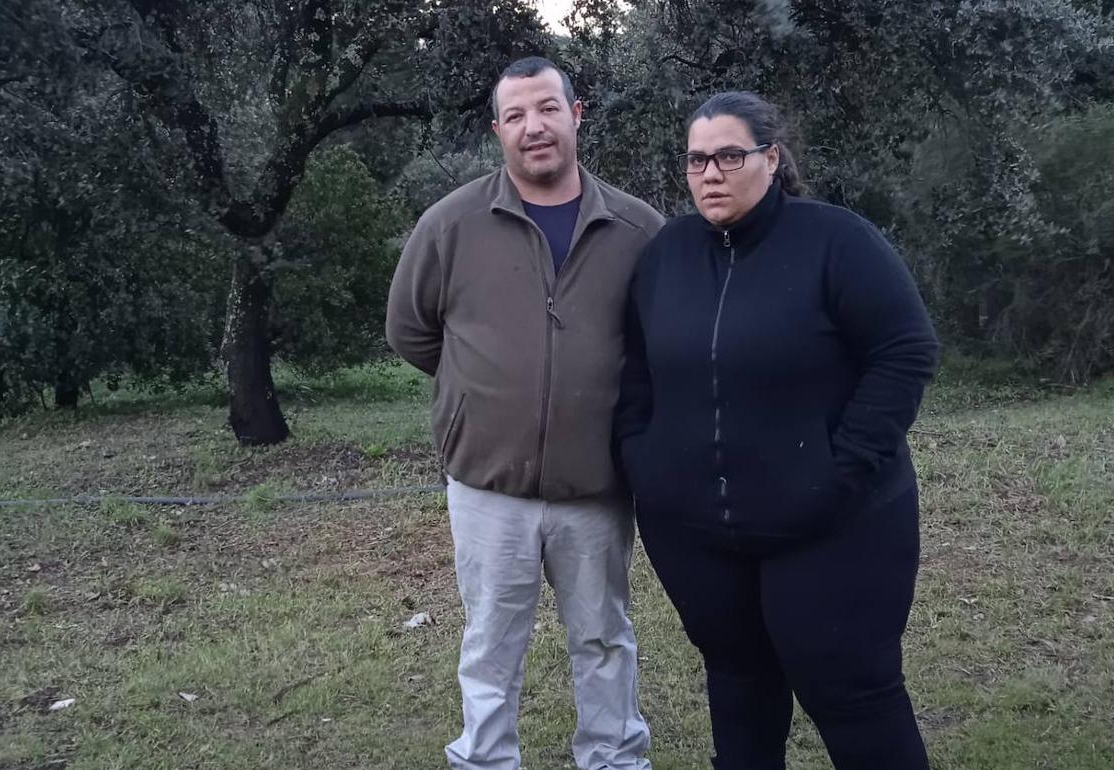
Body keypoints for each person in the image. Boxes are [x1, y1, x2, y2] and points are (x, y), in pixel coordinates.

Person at [614, 91, 939, 770]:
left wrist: (842, 470)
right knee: (739, 689)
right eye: (697, 160)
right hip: (699, 539)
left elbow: (904, 351)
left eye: (730, 156)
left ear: (771, 157)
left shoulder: (837, 242)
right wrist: (645, 460)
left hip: (833, 529)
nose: (711, 173)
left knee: (854, 696)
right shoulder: (667, 256)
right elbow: (637, 370)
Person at [386, 56, 663, 770]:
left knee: (604, 637)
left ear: (577, 114)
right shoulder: (451, 224)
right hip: (487, 485)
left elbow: (668, 340)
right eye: (515, 115)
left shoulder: (637, 228)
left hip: (597, 486)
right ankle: (484, 758)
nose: (532, 127)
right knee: (490, 641)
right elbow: (410, 330)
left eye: (546, 108)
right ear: (497, 130)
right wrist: (476, 396)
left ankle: (614, 758)